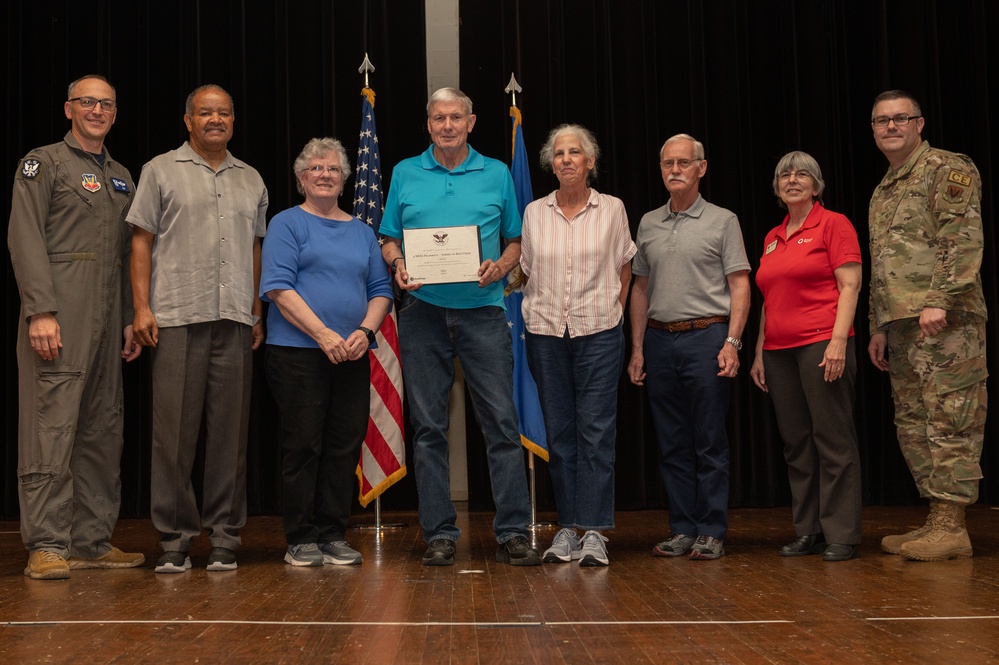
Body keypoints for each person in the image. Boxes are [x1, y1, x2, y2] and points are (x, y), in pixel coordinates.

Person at [380, 87, 540, 567]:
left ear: (471, 122)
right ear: (427, 124)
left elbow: (515, 240)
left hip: (484, 313)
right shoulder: (405, 172)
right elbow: (388, 236)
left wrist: (503, 266)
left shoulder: (495, 173)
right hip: (422, 313)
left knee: (501, 425)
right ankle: (439, 534)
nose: (447, 125)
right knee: (428, 427)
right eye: (438, 118)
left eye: (455, 118)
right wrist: (397, 265)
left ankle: (512, 531)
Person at [8, 75, 145, 580]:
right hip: (61, 314)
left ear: (114, 113)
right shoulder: (43, 163)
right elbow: (23, 237)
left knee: (102, 428)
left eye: (106, 104)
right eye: (87, 102)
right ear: (69, 108)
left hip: (110, 319)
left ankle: (90, 540)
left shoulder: (123, 176)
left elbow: (131, 254)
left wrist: (132, 318)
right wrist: (40, 310)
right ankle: (47, 543)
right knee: (52, 426)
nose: (97, 110)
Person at [128, 84, 268, 573]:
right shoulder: (159, 170)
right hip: (175, 318)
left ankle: (226, 537)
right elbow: (140, 243)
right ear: (187, 120)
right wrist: (141, 308)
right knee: (174, 434)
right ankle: (174, 539)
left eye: (224, 113)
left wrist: (255, 309)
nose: (215, 119)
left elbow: (255, 249)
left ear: (233, 121)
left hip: (234, 318)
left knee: (230, 436)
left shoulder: (251, 178)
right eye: (205, 112)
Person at [260, 138, 393, 567]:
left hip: (352, 354)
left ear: (344, 179)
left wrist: (363, 330)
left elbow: (380, 290)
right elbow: (278, 287)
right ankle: (300, 537)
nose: (324, 174)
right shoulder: (286, 223)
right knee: (303, 445)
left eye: (332, 169)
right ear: (301, 179)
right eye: (315, 168)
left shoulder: (361, 231)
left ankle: (333, 532)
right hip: (298, 353)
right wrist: (323, 335)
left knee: (343, 445)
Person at [867, 90, 987, 561]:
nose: (891, 127)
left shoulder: (946, 168)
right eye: (881, 121)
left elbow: (960, 237)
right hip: (901, 325)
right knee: (915, 423)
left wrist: (939, 300)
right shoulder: (885, 187)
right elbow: (885, 265)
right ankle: (939, 519)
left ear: (919, 123)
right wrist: (879, 324)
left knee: (950, 416)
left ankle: (953, 525)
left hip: (945, 321)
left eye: (900, 119)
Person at [628, 133, 750, 561]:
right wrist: (637, 349)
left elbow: (740, 285)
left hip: (707, 338)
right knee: (672, 442)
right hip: (659, 341)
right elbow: (639, 289)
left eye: (683, 163)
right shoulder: (647, 222)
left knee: (709, 441)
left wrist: (733, 342)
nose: (674, 170)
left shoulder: (723, 220)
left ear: (701, 167)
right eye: (667, 164)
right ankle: (682, 528)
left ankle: (712, 529)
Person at [520, 124, 635, 567]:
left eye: (576, 152)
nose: (567, 159)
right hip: (547, 335)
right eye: (560, 153)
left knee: (596, 433)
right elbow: (527, 272)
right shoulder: (534, 213)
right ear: (551, 163)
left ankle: (594, 531)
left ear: (590, 162)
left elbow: (625, 267)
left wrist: (615, 310)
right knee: (561, 435)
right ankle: (567, 528)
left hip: (599, 334)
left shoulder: (613, 210)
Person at [749, 151, 863, 562]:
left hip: (821, 343)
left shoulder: (833, 224)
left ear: (816, 185)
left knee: (832, 439)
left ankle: (842, 534)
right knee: (796, 443)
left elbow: (850, 286)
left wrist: (838, 342)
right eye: (784, 174)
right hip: (778, 352)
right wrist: (760, 352)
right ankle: (808, 529)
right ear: (777, 187)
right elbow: (768, 299)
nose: (792, 180)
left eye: (802, 175)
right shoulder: (772, 236)